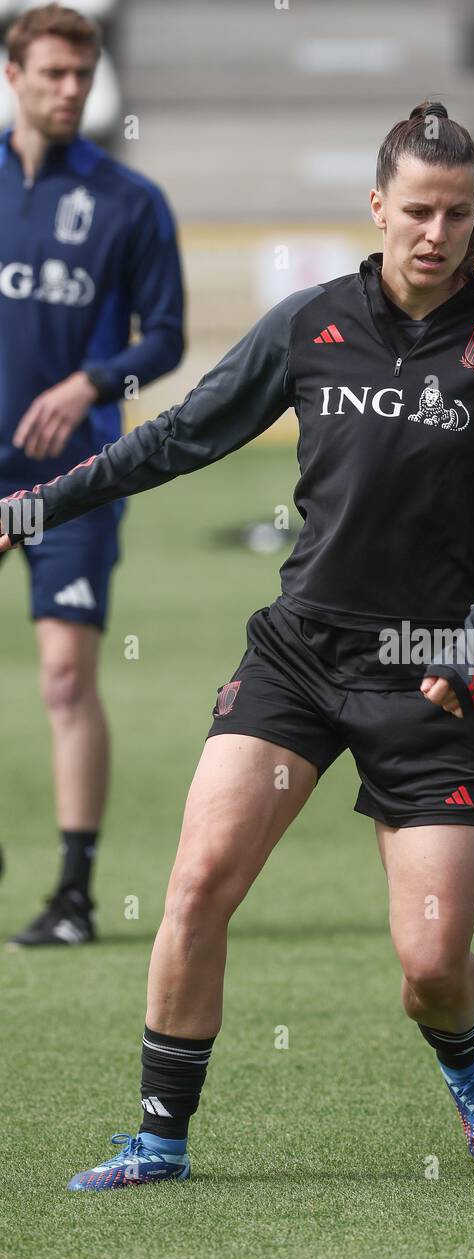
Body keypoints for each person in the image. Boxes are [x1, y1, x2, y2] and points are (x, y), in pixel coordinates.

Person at [0, 100, 474, 1184]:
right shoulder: (311, 324)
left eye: (454, 214)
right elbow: (176, 435)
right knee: (198, 880)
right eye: (414, 212)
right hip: (299, 656)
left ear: (473, 215)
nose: (434, 234)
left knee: (431, 964)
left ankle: (470, 1063)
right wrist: (35, 508)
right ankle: (161, 1136)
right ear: (376, 208)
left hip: (436, 682)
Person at [0, 4, 184, 947]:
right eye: (52, 73)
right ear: (13, 76)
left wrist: (91, 381)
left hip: (69, 480)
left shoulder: (130, 201)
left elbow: (168, 338)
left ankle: (73, 893)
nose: (69, 89)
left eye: (81, 74)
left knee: (65, 678)